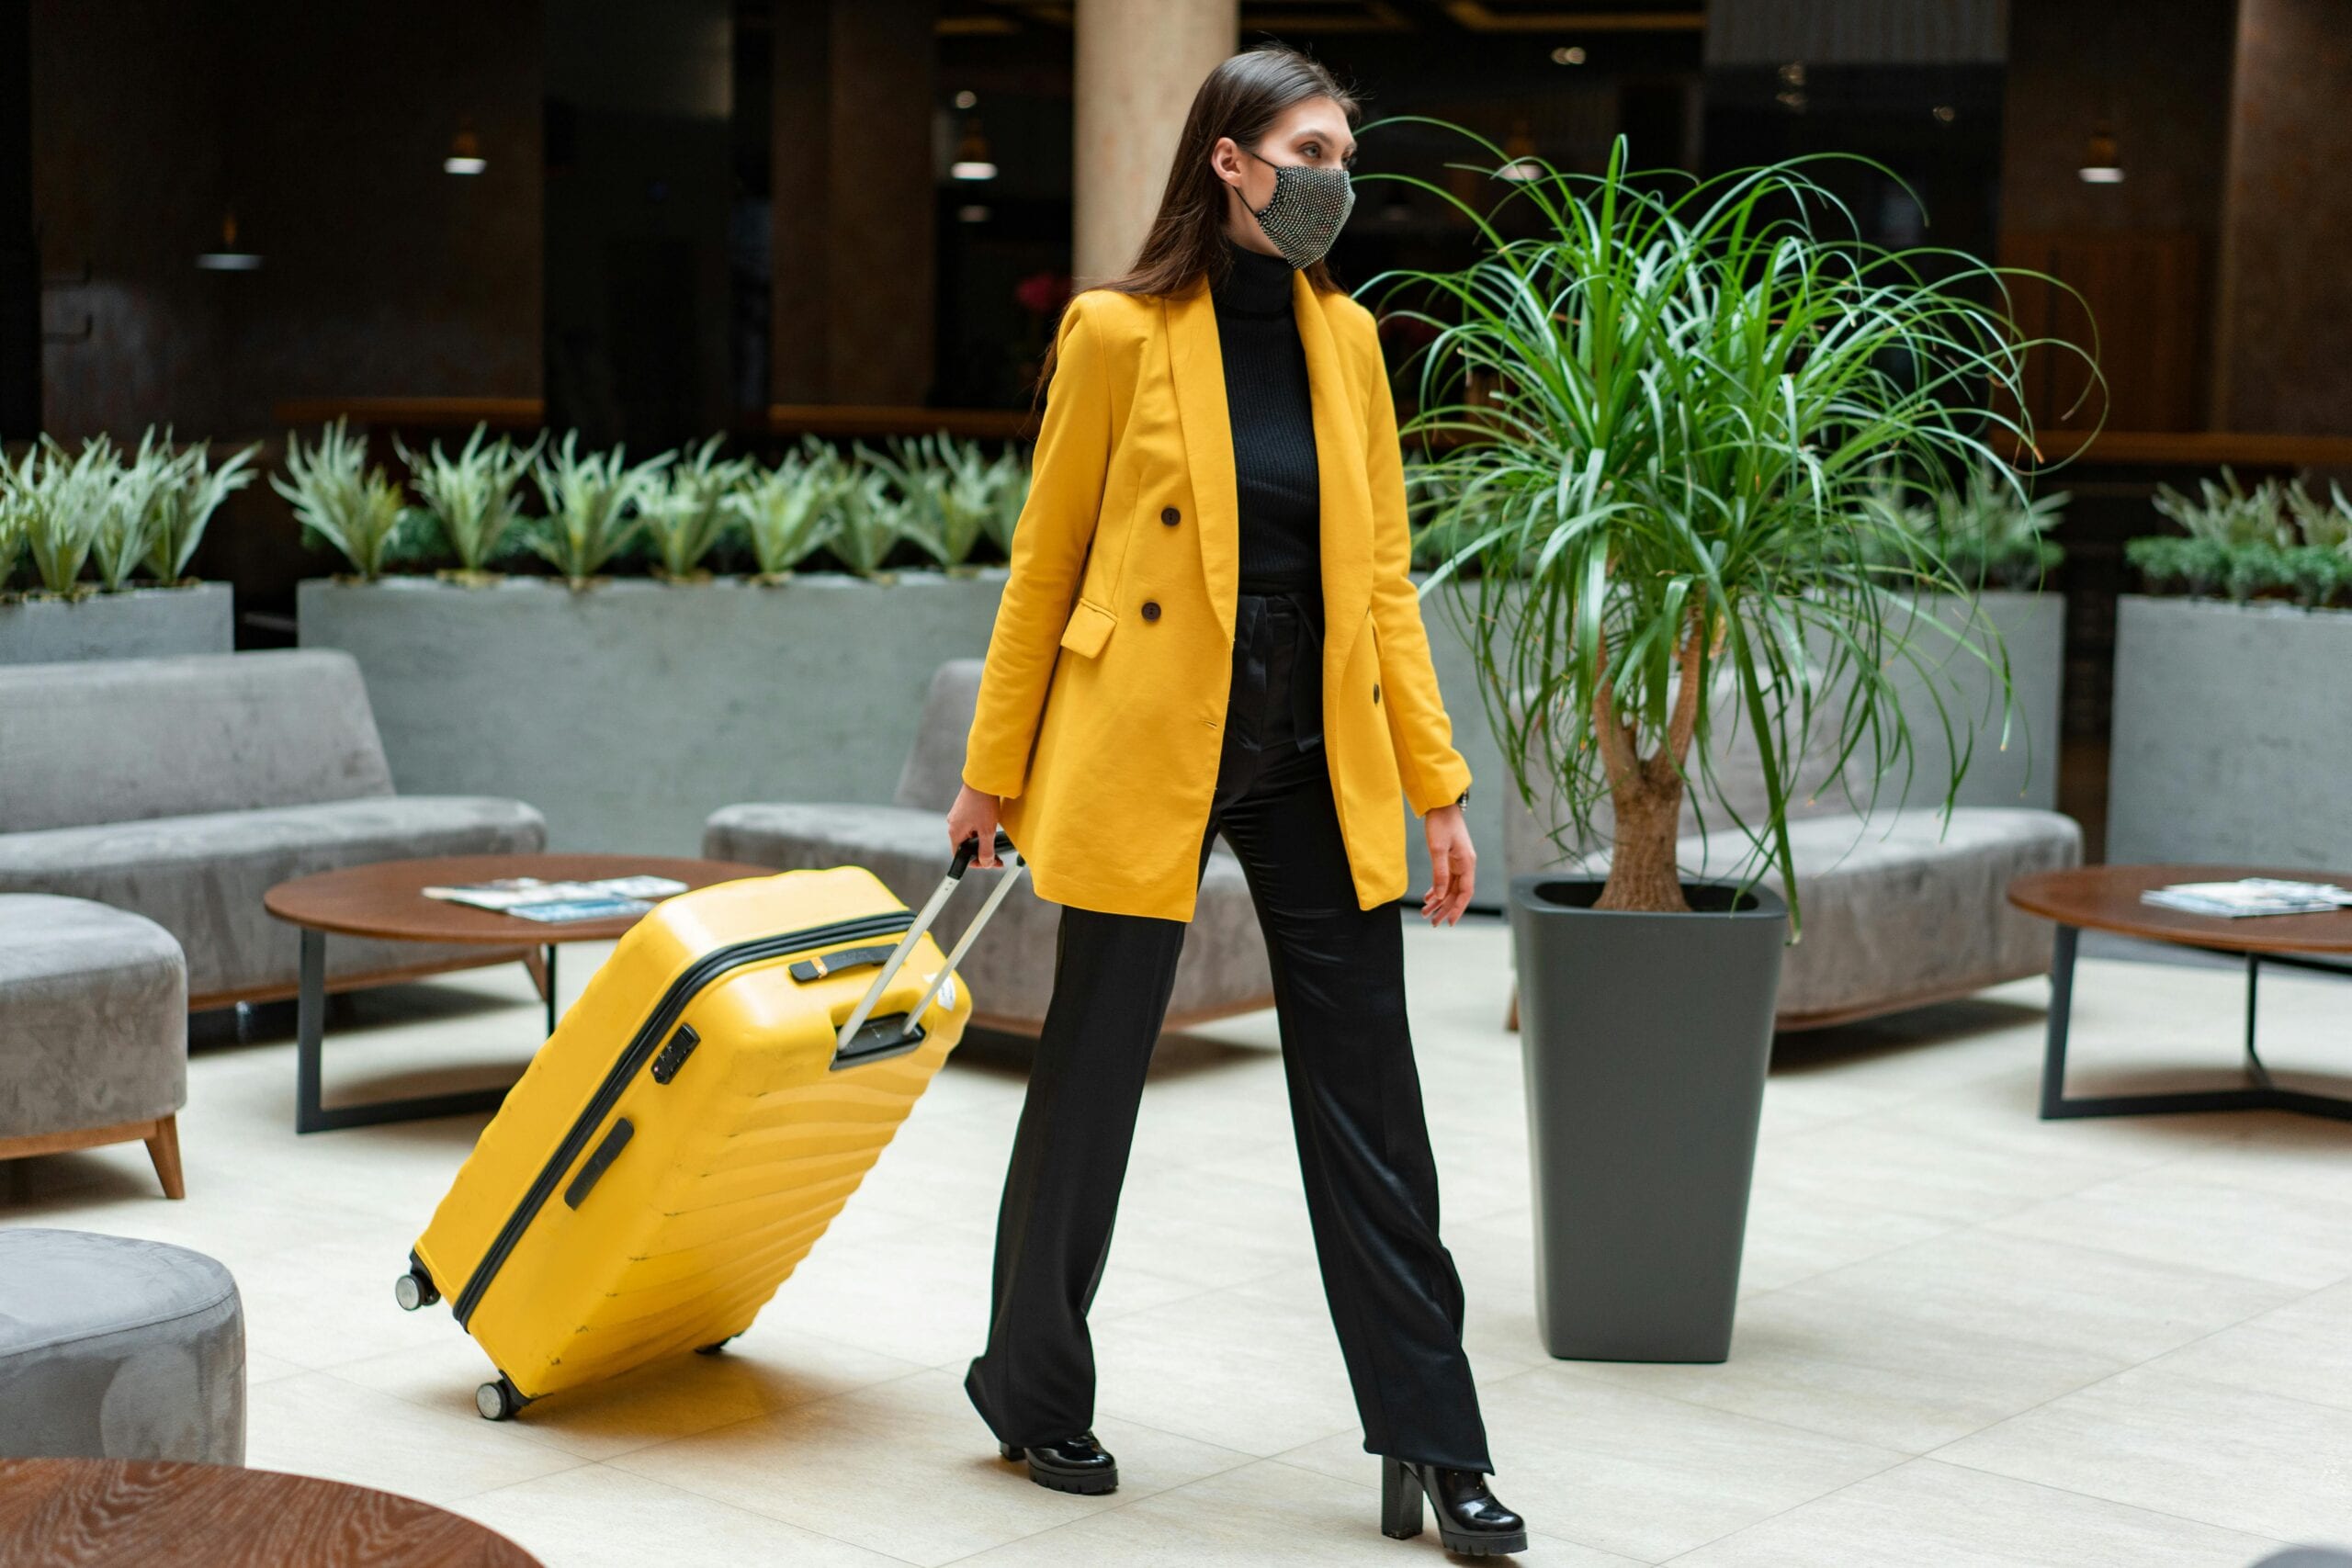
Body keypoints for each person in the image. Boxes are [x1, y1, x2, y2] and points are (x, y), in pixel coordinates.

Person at [944, 42, 1526, 1558]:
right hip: (1152, 736)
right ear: (1231, 160)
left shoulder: (1352, 345)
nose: (1337, 177)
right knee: (1092, 1079)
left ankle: (1435, 1442)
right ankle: (1029, 1386)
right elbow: (1044, 563)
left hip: (1308, 751)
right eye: (1313, 150)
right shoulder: (1118, 335)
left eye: (1345, 151)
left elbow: (1384, 586)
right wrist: (990, 773)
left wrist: (1440, 794)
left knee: (1374, 1103)